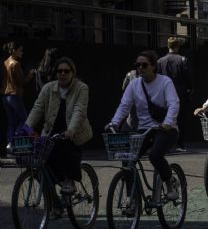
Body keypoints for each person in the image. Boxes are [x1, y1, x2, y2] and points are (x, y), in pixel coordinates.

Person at [107, 50, 180, 199]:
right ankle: (132, 199)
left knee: (155, 155)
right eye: (137, 65)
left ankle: (169, 181)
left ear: (153, 66)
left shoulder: (165, 82)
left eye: (144, 65)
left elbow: (174, 104)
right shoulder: (134, 84)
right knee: (127, 158)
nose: (140, 68)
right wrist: (114, 123)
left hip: (165, 129)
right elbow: (124, 106)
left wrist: (167, 123)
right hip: (143, 129)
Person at [24, 57, 93, 193]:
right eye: (59, 71)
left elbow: (79, 110)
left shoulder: (81, 88)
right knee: (39, 165)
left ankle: (69, 180)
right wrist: (26, 129)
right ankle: (54, 204)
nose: (63, 74)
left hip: (74, 133)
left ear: (73, 73)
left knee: (67, 149)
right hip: (51, 133)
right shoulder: (48, 88)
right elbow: (37, 109)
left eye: (66, 71)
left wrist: (71, 130)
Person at [157, 36, 192, 152]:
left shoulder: (160, 61)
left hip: (165, 94)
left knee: (165, 118)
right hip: (180, 93)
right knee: (181, 119)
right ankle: (180, 144)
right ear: (178, 46)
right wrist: (190, 89)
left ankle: (164, 144)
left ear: (168, 46)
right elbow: (188, 78)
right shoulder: (183, 60)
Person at [1, 41, 35, 152]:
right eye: (20, 50)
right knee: (25, 121)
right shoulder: (15, 64)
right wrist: (30, 74)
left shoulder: (6, 62)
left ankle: (10, 145)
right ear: (14, 50)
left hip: (5, 96)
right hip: (14, 96)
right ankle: (16, 141)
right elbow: (22, 81)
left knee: (11, 123)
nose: (22, 52)